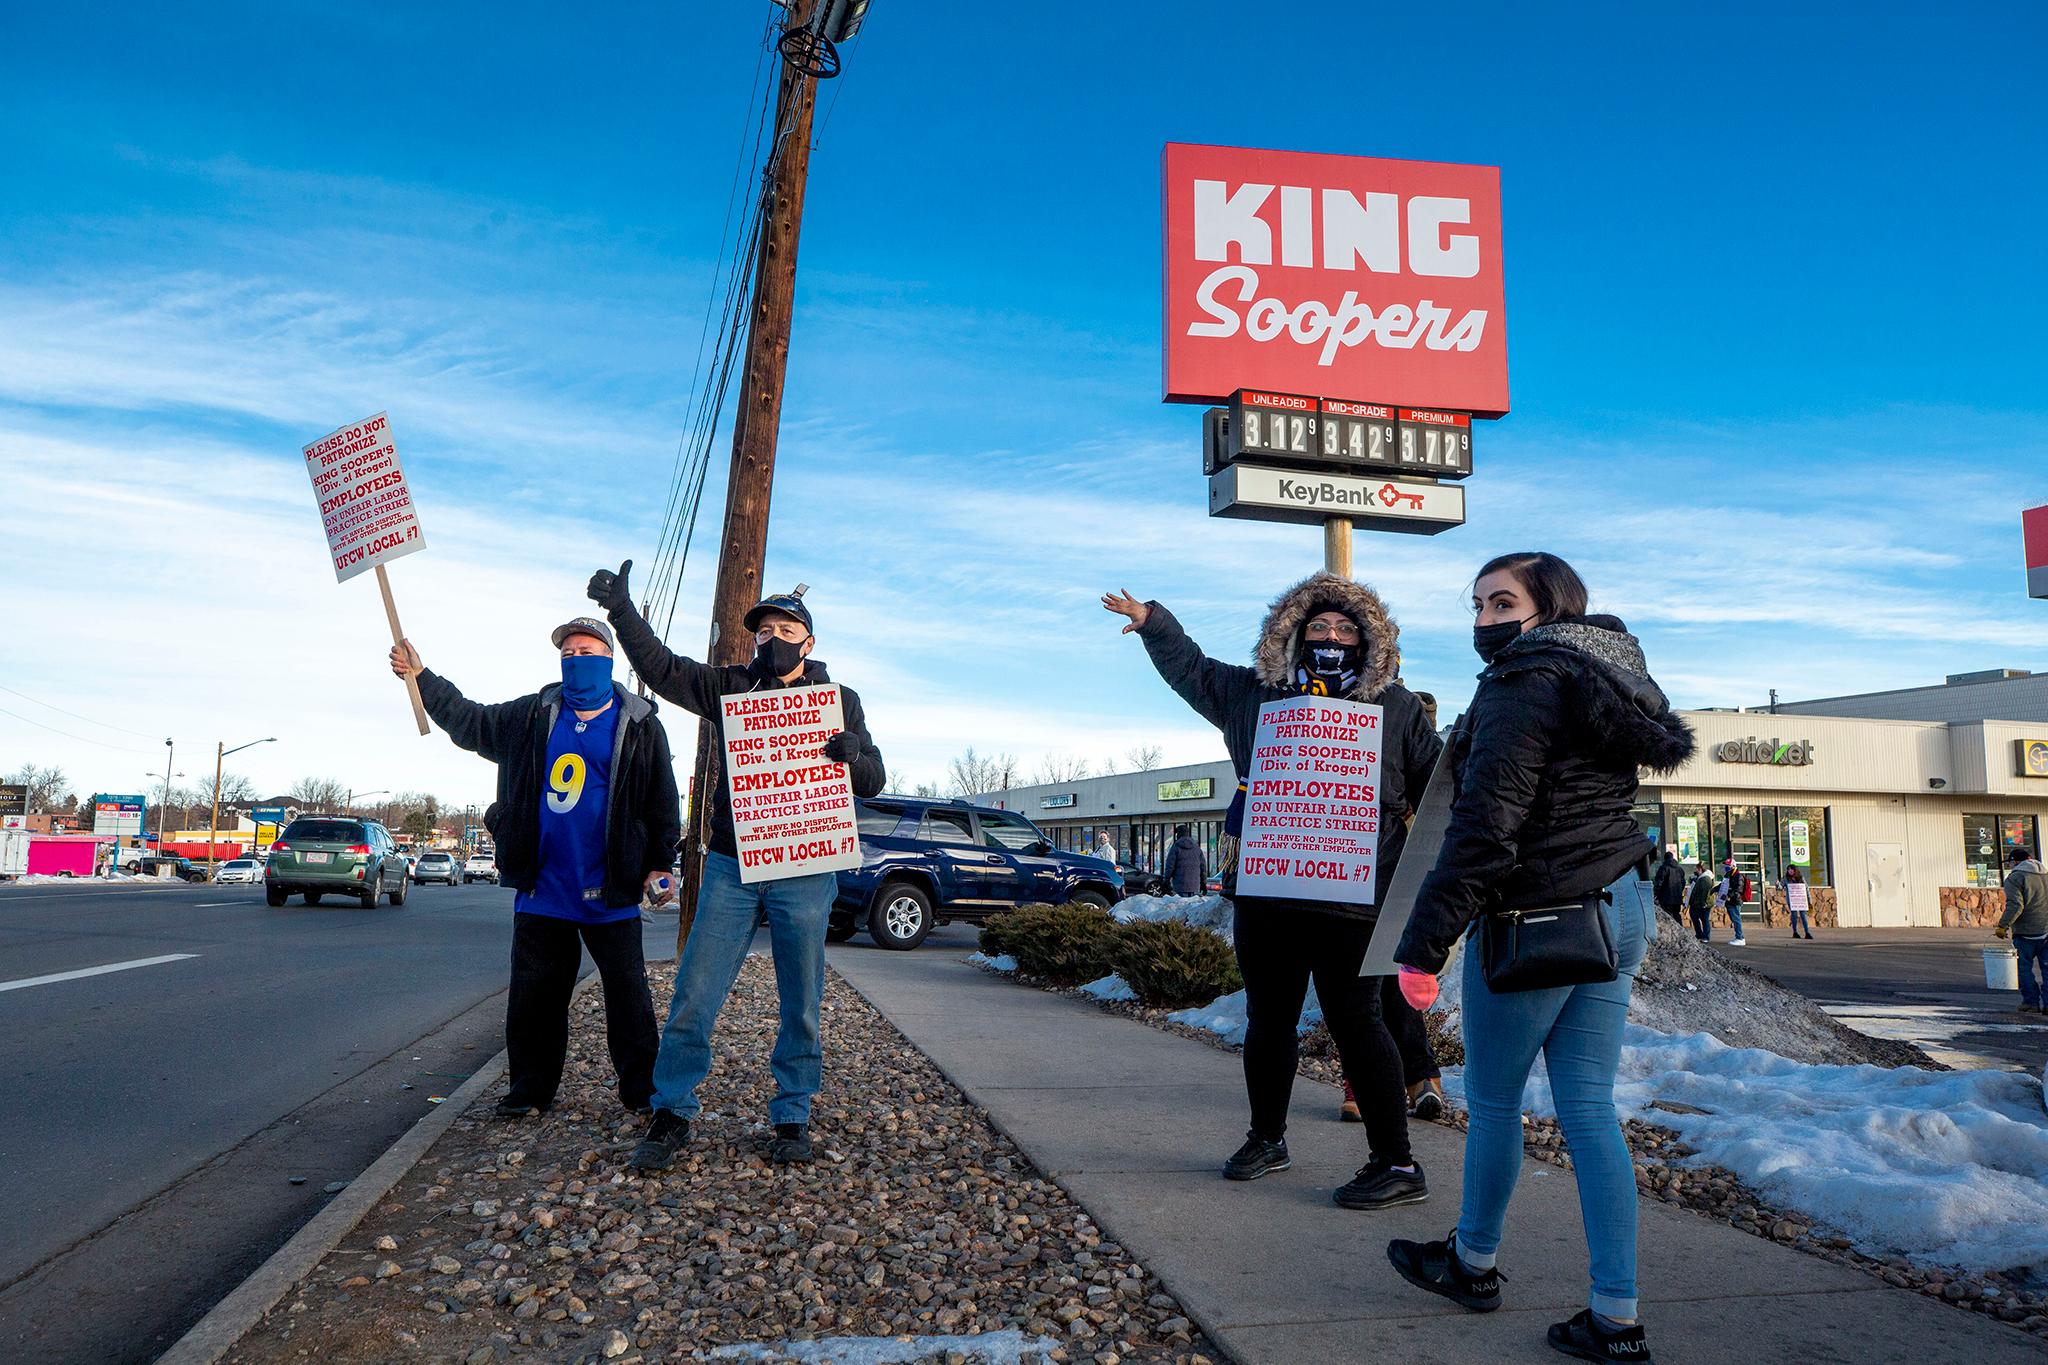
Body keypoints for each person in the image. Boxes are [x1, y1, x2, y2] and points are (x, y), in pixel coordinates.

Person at [1385, 551, 1694, 1365]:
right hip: (1619, 903)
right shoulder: (1611, 672)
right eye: (1478, 603)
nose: (1485, 619)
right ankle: (1615, 1317)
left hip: (1540, 912)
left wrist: (1423, 942)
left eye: (1502, 602)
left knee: (1492, 1100)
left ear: (1548, 606)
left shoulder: (1524, 680)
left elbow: (1489, 822)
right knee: (1590, 1109)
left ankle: (1472, 1263)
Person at [1104, 573, 1442, 1211]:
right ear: (1291, 635)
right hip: (1269, 897)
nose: (1332, 637)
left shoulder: (1396, 709)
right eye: (1319, 627)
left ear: (1370, 640)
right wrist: (1155, 622)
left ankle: (1396, 1162)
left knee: (1359, 1022)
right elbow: (1193, 671)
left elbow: (1438, 795)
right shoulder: (1252, 696)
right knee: (1269, 1022)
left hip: (1355, 901)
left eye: (1346, 629)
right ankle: (1266, 1139)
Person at [583, 564, 887, 1169]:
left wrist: (853, 755)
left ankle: (793, 1112)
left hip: (805, 866)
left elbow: (874, 782)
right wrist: (622, 610)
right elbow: (663, 669)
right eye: (764, 630)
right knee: (695, 990)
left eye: (785, 628)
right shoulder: (730, 688)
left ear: (809, 640)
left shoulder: (840, 701)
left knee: (801, 996)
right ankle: (671, 1109)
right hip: (730, 864)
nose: (773, 638)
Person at [388, 616, 679, 1118]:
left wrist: (658, 863)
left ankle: (641, 1092)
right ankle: (529, 1092)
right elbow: (471, 721)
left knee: (629, 1001)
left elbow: (661, 800)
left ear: (609, 659)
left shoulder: (640, 722)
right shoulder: (531, 716)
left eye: (587, 651)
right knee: (535, 1001)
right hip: (544, 887)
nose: (576, 660)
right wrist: (422, 676)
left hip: (611, 888)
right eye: (568, 653)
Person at [1995, 846, 2048, 1014]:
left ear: (2015, 862)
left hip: (2026, 932)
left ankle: (2031, 1002)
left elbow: (2016, 905)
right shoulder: (2046, 875)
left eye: (2010, 863)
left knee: (2024, 968)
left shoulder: (2015, 878)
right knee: (2047, 969)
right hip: (2047, 931)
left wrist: (2003, 926)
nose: (2010, 866)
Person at [1163, 823, 1206, 896]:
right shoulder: (1196, 848)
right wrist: (1203, 883)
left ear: (1178, 834)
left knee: (1182, 907)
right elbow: (1203, 868)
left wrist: (1166, 881)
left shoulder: (1175, 847)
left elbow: (1170, 866)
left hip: (1180, 886)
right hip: (1195, 887)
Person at [1652, 847, 1686, 923]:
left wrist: (1656, 894)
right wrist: (1679, 892)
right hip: (1677, 897)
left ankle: (1672, 934)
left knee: (1668, 917)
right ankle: (1681, 932)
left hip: (1666, 897)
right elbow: (1683, 882)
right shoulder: (1680, 869)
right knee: (1677, 914)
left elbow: (1659, 882)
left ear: (1665, 859)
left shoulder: (1664, 868)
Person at [1719, 861, 1749, 946]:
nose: (1725, 867)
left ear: (1733, 866)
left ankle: (1740, 938)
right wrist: (1715, 889)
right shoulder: (1729, 875)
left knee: (1736, 920)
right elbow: (1723, 885)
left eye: (1727, 866)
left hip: (1735, 901)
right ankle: (1738, 937)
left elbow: (1738, 889)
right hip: (1730, 901)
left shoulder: (1738, 876)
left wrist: (1729, 895)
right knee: (1734, 920)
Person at [1686, 862, 1717, 942]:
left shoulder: (1705, 879)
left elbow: (1704, 893)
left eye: (1696, 869)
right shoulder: (1701, 878)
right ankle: (1700, 935)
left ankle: (1705, 936)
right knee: (1698, 918)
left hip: (1703, 903)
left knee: (1703, 919)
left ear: (1700, 869)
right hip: (1700, 903)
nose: (1695, 870)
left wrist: (1702, 903)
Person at [1784, 866, 1815, 940]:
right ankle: (1795, 932)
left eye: (1791, 869)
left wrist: (1809, 899)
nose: (1790, 871)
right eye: (1788, 869)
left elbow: (1806, 888)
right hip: (1792, 901)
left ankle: (1807, 932)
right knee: (1794, 915)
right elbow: (1780, 887)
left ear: (1795, 870)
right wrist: (1777, 885)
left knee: (1803, 915)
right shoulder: (1786, 878)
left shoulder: (1801, 878)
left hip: (1801, 900)